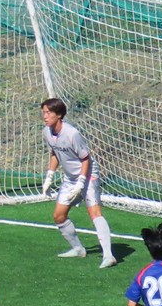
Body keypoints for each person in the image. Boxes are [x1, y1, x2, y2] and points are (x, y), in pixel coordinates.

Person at [40, 98, 117, 268]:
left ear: (59, 115)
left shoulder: (72, 133)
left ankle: (108, 255)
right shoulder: (46, 132)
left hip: (88, 175)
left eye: (48, 113)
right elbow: (54, 153)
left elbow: (85, 158)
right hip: (70, 178)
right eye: (43, 112)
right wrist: (49, 176)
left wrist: (82, 182)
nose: (45, 116)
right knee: (59, 216)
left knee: (94, 213)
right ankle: (78, 249)